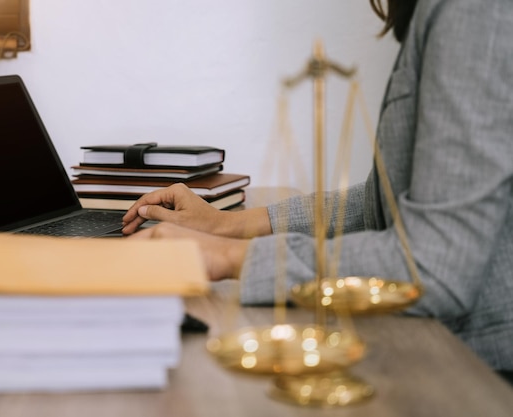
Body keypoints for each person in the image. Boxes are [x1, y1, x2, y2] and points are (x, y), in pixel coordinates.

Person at [121, 0, 513, 382]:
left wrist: (227, 257)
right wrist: (227, 225)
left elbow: (434, 267)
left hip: (482, 375)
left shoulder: (472, 9)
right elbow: (381, 201)